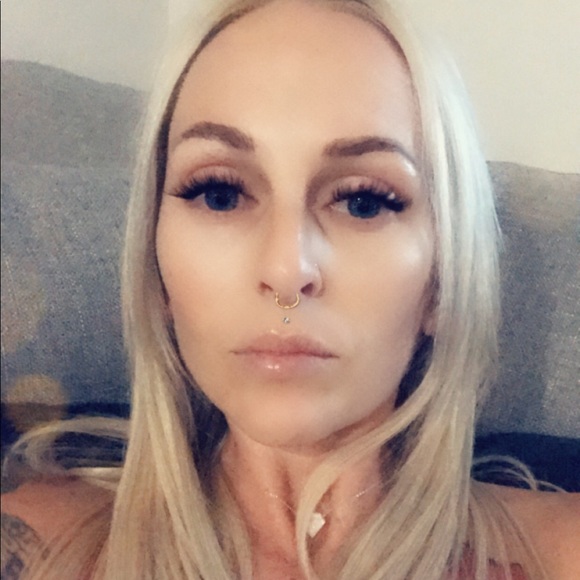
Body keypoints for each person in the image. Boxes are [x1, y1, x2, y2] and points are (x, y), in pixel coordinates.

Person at [1, 0, 578, 578]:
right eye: (220, 194)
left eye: (363, 201)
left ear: (442, 281)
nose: (285, 269)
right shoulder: (37, 546)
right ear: (155, 268)